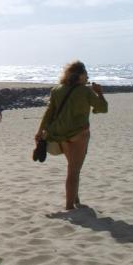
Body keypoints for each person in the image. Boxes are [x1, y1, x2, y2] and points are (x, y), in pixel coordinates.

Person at [35, 61, 107, 210]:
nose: (88, 77)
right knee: (73, 170)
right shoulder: (85, 91)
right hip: (78, 134)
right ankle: (69, 206)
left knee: (73, 167)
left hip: (61, 135)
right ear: (80, 75)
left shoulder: (57, 90)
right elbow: (102, 108)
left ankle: (75, 198)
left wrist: (39, 131)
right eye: (86, 74)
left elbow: (49, 112)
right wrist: (99, 92)